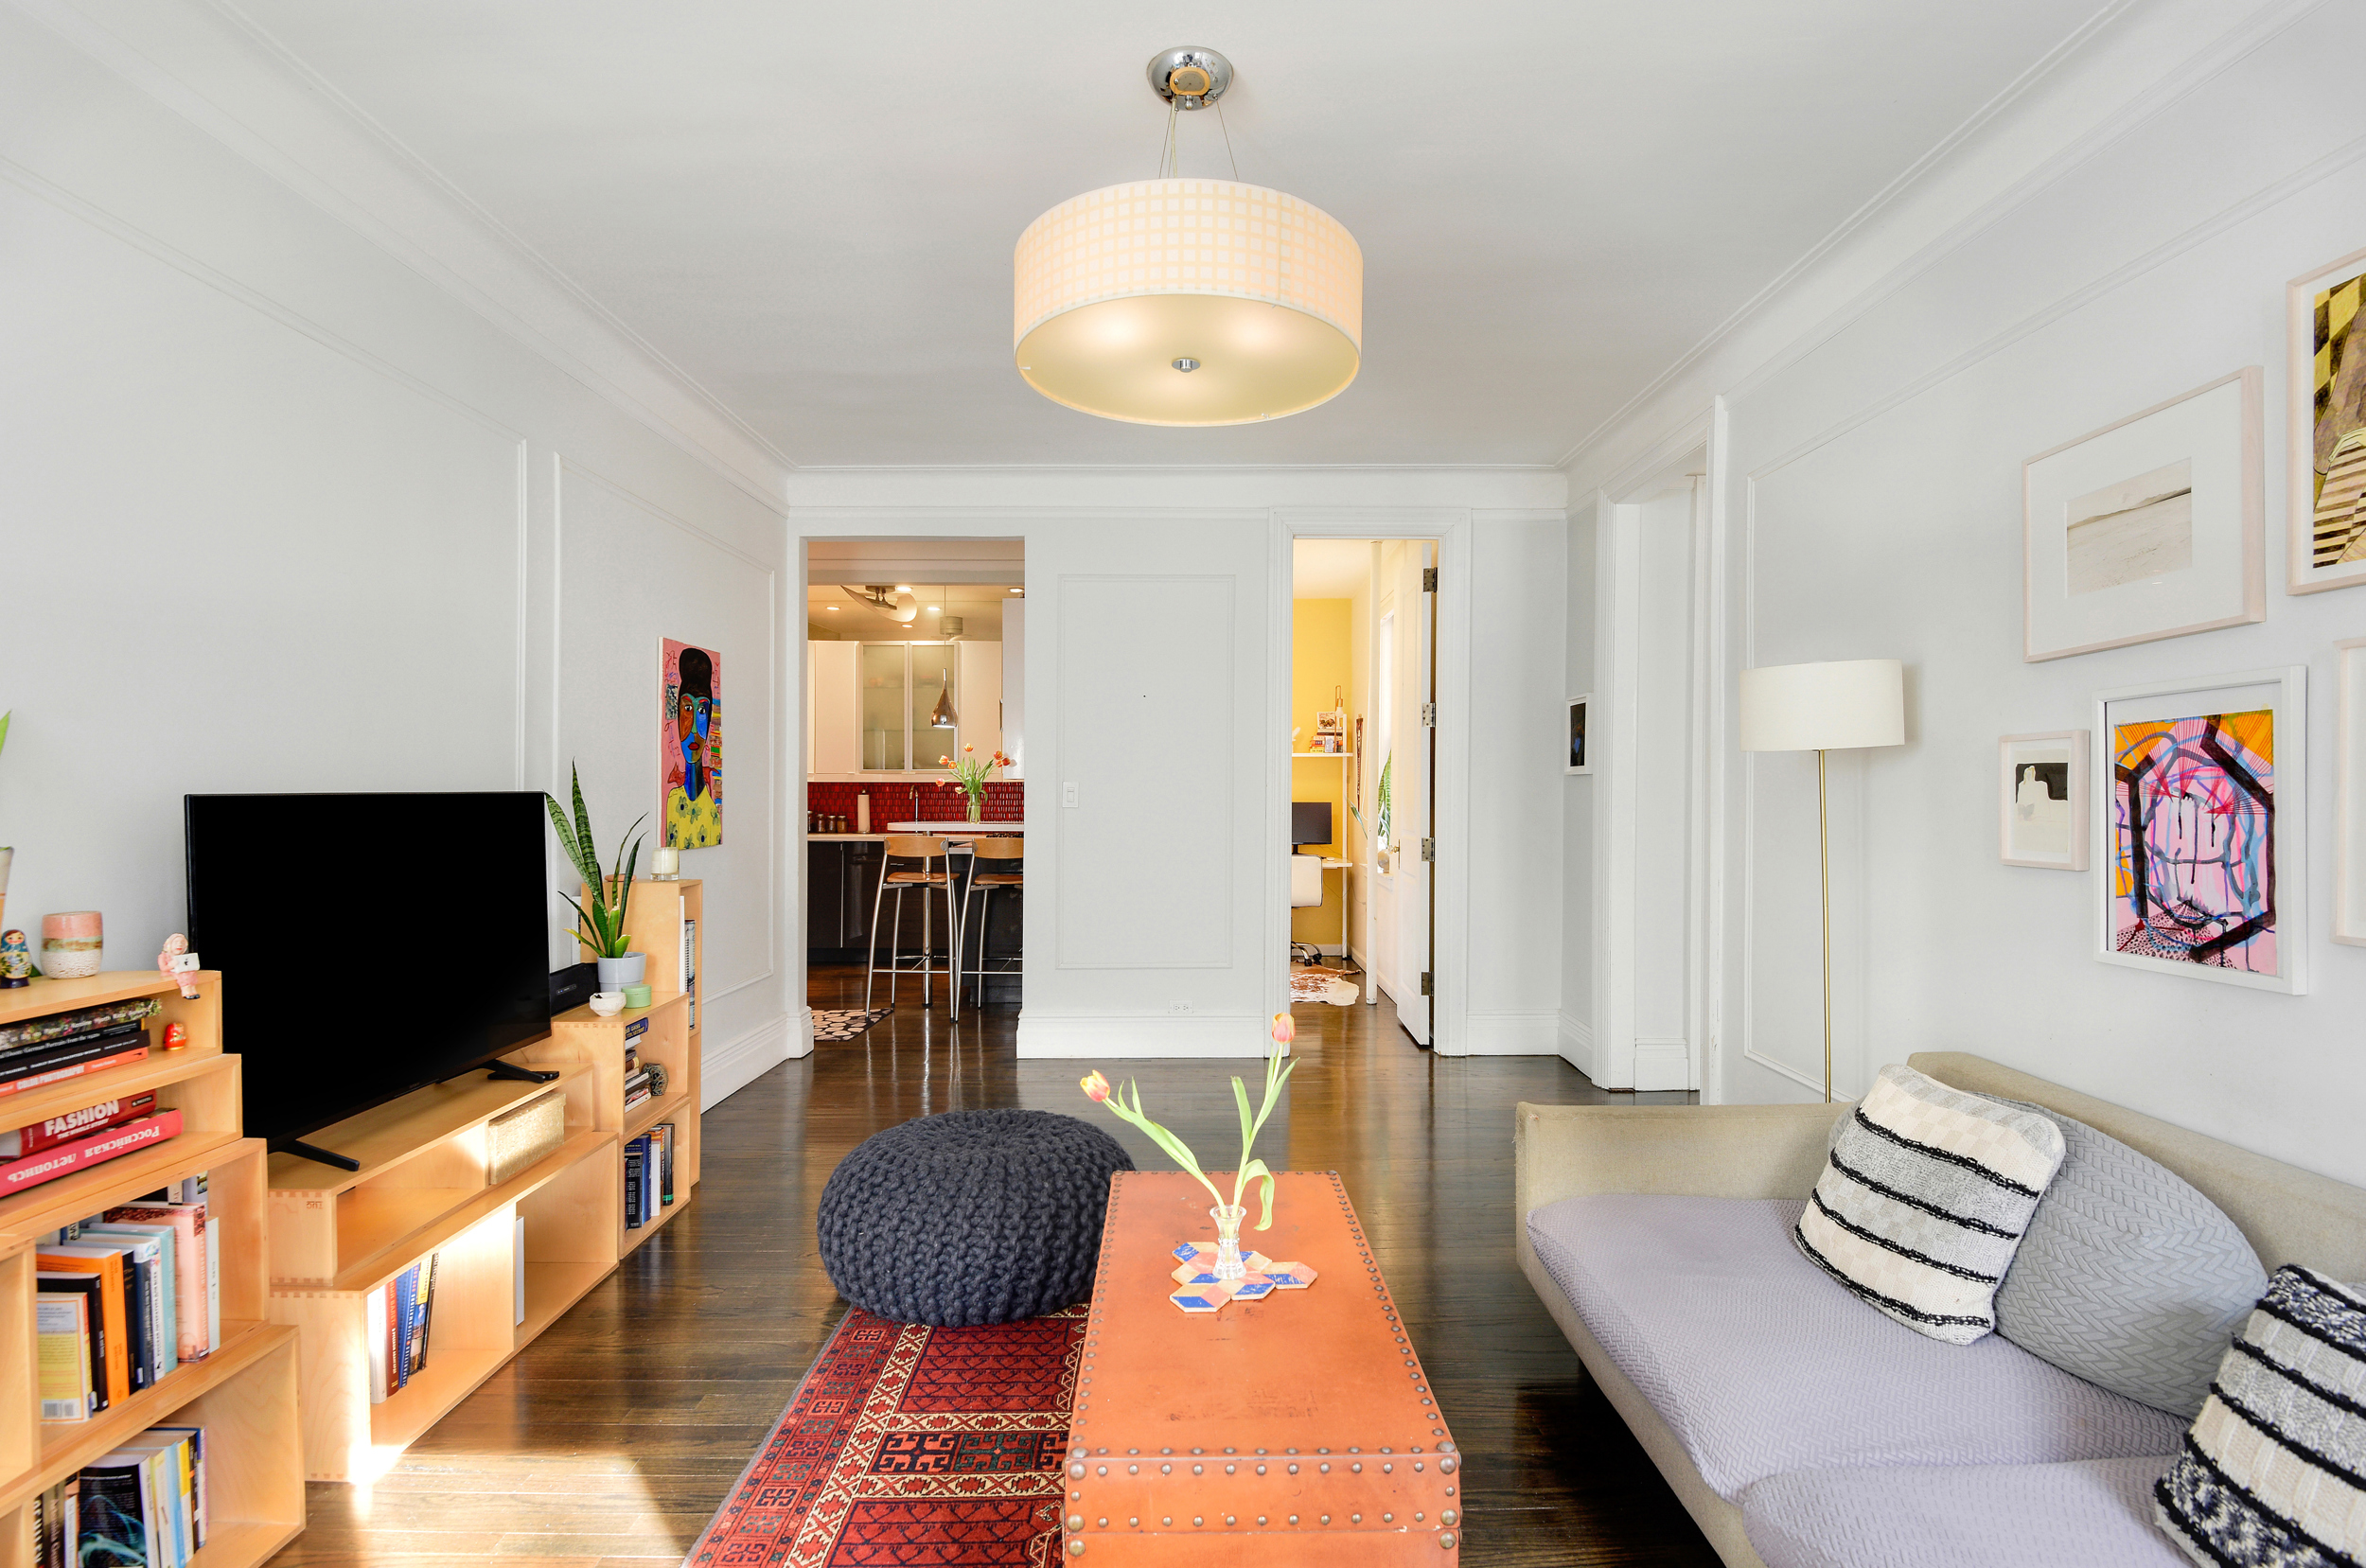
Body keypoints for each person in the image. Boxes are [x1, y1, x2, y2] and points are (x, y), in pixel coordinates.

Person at [666, 646, 721, 849]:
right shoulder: (672, 800)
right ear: (678, 714)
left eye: (702, 710)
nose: (695, 729)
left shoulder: (713, 811)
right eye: (688, 708)